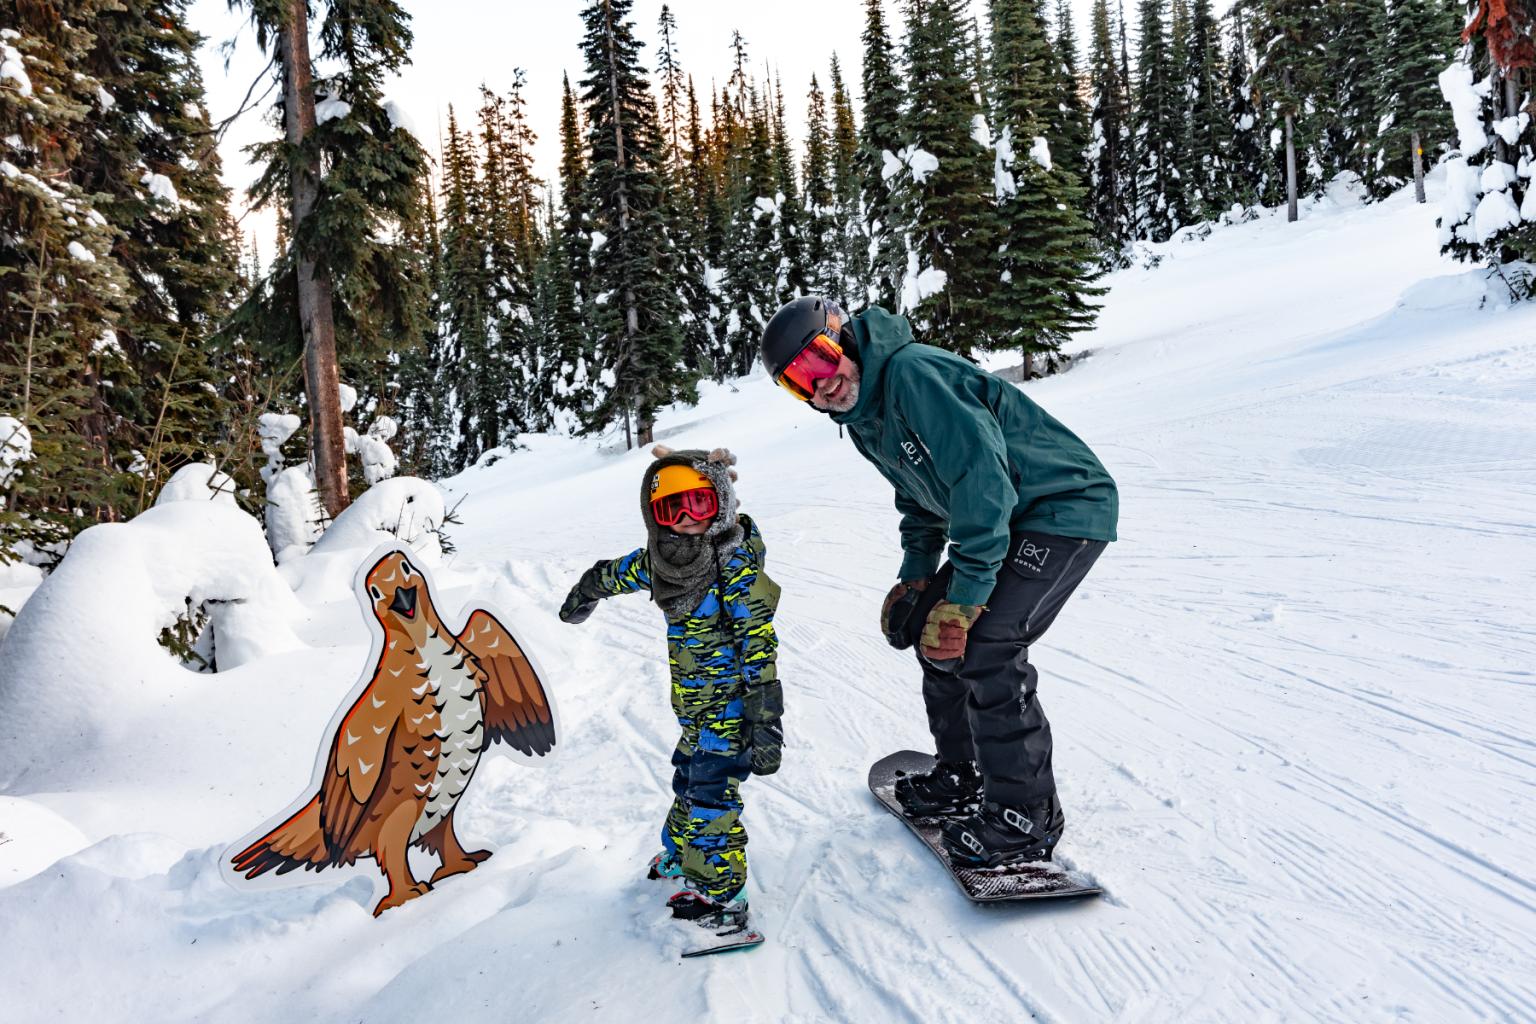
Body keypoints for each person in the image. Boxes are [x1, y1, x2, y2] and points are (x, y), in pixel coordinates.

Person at [758, 296, 1117, 868]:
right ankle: (964, 772)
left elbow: (983, 482)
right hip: (1011, 514)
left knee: (987, 646)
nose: (820, 387)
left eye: (820, 362)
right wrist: (918, 579)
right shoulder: (865, 416)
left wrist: (967, 599)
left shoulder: (912, 374)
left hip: (1061, 508)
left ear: (844, 337)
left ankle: (1026, 817)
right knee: (933, 631)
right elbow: (921, 499)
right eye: (800, 382)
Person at [558, 445, 782, 929]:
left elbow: (759, 642)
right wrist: (587, 588)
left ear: (720, 503)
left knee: (711, 797)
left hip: (732, 710)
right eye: (670, 510)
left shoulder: (735, 567)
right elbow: (620, 572)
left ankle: (722, 895)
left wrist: (766, 718)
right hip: (696, 712)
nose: (685, 520)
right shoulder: (669, 559)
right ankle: (684, 856)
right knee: (687, 778)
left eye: (697, 505)